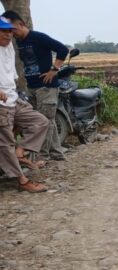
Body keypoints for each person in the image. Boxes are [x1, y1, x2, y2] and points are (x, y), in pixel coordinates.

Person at [1, 10, 68, 161]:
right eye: (7, 30)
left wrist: (54, 70)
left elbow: (62, 49)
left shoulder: (38, 37)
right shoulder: (17, 42)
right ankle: (56, 153)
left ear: (21, 24)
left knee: (45, 120)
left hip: (46, 86)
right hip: (31, 86)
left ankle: (42, 157)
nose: (12, 33)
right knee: (44, 121)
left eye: (13, 29)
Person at [0, 18, 48, 193]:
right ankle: (22, 180)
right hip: (1, 104)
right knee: (5, 144)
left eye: (10, 31)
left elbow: (10, 75)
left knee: (40, 122)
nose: (8, 34)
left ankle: (20, 152)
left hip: (13, 99)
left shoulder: (9, 46)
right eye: (3, 31)